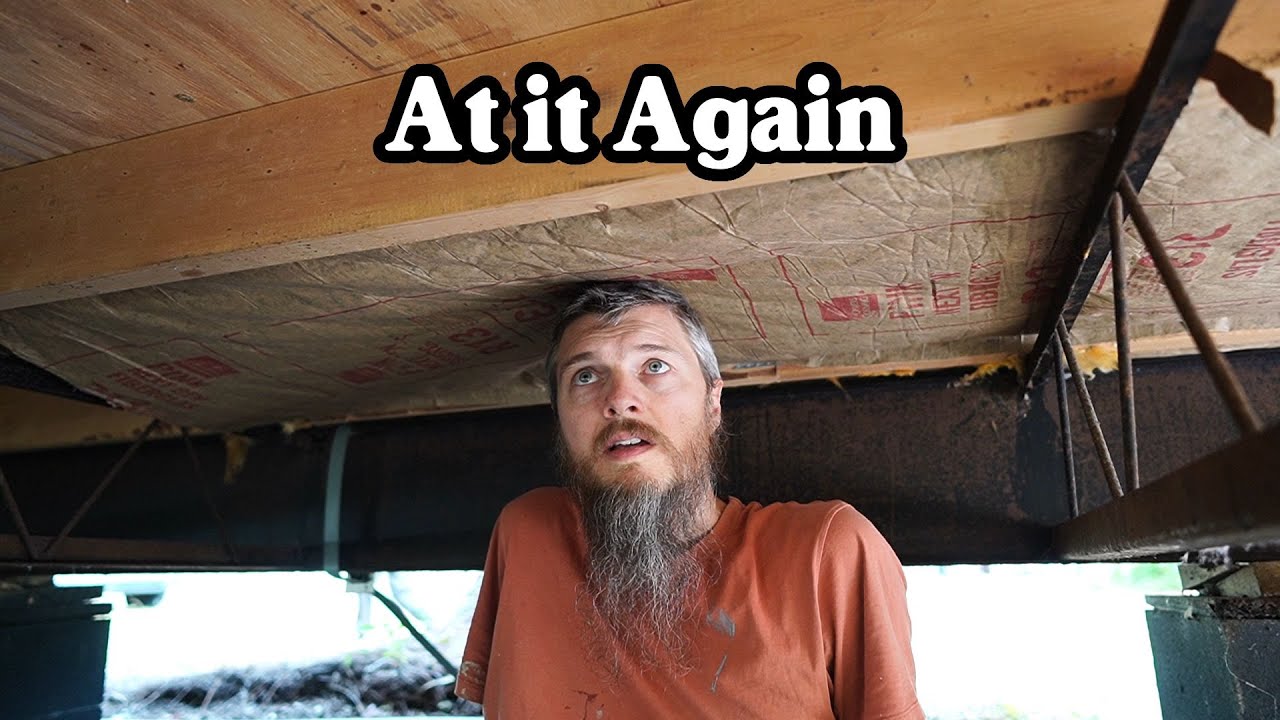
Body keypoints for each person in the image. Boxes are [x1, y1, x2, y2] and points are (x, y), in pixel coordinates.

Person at [456, 280, 921, 719]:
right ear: (560, 418)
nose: (620, 399)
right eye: (586, 375)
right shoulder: (525, 532)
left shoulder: (828, 550)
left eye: (655, 366)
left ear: (713, 404)